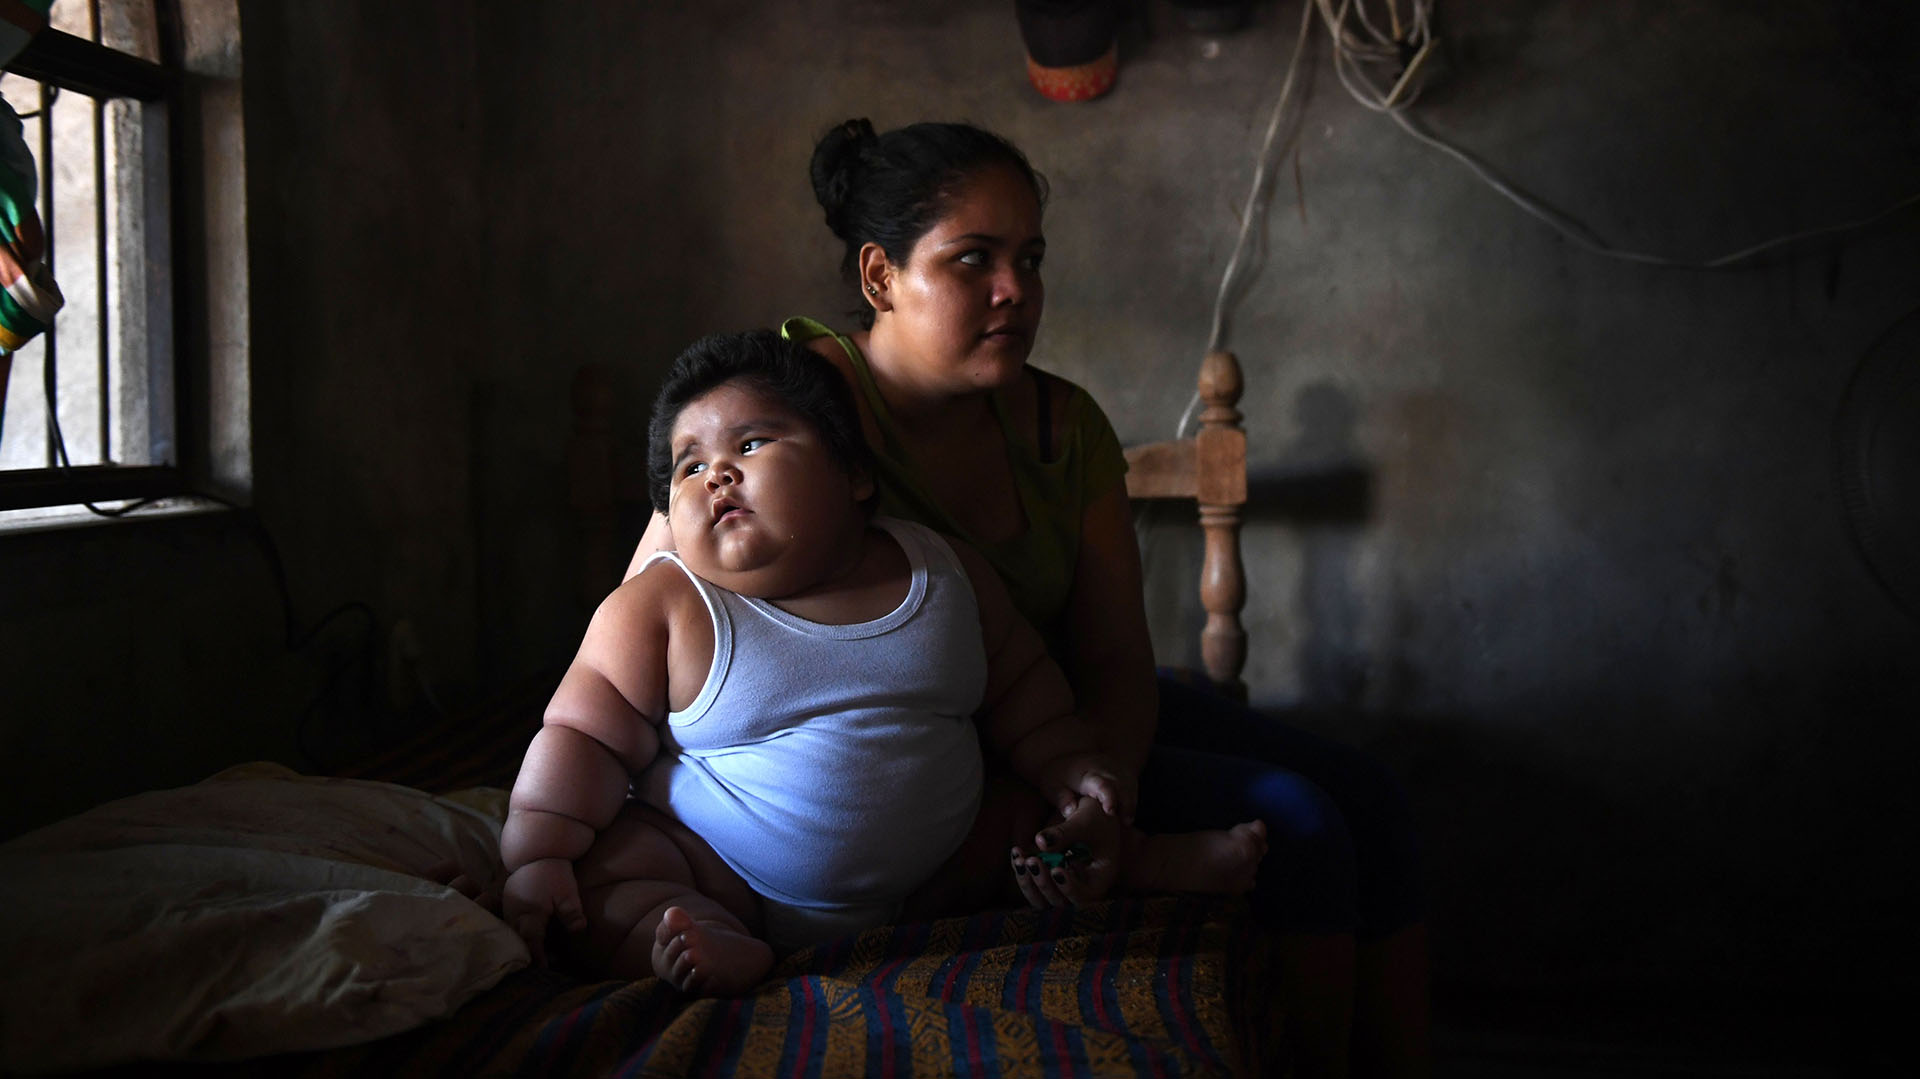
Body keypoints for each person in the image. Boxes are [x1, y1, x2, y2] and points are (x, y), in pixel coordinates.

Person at [624, 119, 1430, 1077]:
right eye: (974, 259)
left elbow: (1117, 661)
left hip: (1062, 725)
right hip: (934, 757)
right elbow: (650, 599)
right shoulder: (794, 412)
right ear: (881, 278)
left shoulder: (1064, 424)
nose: (1017, 290)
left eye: (1030, 259)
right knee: (1297, 821)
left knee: (1372, 792)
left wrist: (1103, 796)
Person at [506, 330, 1268, 995]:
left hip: (939, 870)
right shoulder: (661, 609)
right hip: (723, 871)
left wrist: (1071, 764)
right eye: (688, 466)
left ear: (855, 475)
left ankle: (1135, 859)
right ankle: (701, 945)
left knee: (1038, 824)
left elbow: (1025, 689)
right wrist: (538, 851)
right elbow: (581, 737)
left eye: (750, 444)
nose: (717, 475)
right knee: (614, 876)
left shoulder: (939, 572)